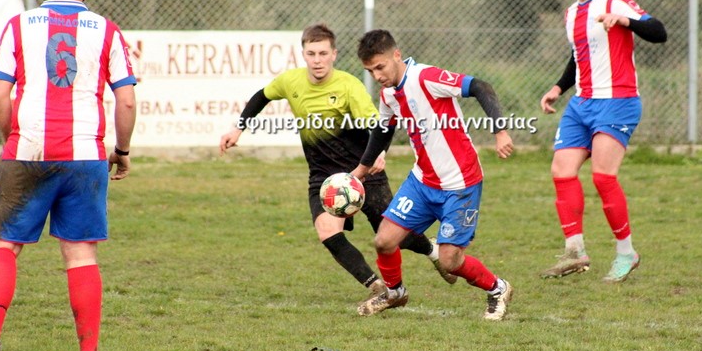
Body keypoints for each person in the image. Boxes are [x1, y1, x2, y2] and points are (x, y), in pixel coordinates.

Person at [219, 24, 456, 305]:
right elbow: (262, 96)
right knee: (328, 233)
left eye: (323, 53)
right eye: (311, 54)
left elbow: (378, 125)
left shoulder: (348, 86)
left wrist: (379, 155)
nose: (317, 60)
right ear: (303, 54)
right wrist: (238, 128)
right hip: (324, 176)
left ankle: (432, 251)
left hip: (363, 172)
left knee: (395, 238)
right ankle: (379, 287)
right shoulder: (290, 82)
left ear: (334, 54)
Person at [0, 0, 137, 351]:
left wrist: (13, 137)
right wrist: (122, 150)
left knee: (4, 245)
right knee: (80, 254)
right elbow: (126, 101)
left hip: (27, 149)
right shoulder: (107, 30)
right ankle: (88, 350)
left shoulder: (18, 25)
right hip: (85, 156)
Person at [351, 29, 514, 321]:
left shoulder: (426, 78)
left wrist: (500, 130)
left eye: (380, 67)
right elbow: (383, 131)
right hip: (422, 182)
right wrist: (360, 171)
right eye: (370, 70)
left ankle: (498, 288)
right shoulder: (388, 94)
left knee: (450, 260)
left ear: (396, 55)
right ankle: (395, 293)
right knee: (384, 241)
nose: (377, 75)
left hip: (460, 184)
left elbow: (481, 86)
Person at [539, 0, 667, 283]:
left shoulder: (614, 1)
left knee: (602, 177)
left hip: (617, 101)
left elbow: (659, 32)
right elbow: (579, 57)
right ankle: (575, 251)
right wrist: (558, 88)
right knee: (561, 170)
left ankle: (626, 253)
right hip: (581, 103)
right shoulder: (571, 13)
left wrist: (625, 21)